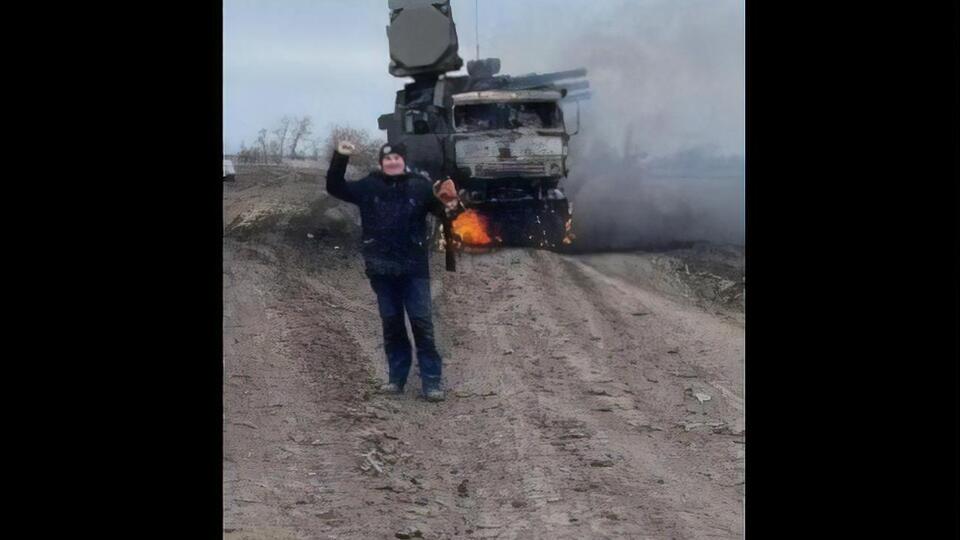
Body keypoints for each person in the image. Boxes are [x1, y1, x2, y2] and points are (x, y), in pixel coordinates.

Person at [326, 140, 462, 402]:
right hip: (381, 268)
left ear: (403, 161)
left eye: (396, 158)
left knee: (422, 323)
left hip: (414, 269)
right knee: (392, 325)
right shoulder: (368, 186)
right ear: (381, 163)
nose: (392, 162)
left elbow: (446, 214)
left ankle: (432, 383)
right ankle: (396, 379)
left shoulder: (420, 187)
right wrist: (341, 156)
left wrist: (451, 204)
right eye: (387, 159)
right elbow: (335, 186)